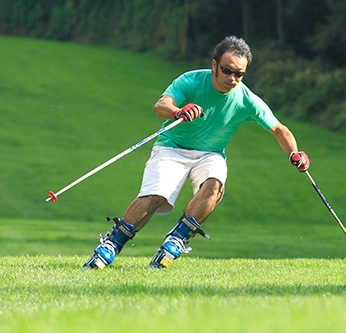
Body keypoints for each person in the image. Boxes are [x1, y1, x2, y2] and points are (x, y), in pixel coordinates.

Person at [82, 36, 310, 269]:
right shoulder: (191, 80)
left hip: (210, 154)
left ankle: (175, 241)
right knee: (155, 196)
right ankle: (111, 245)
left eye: (239, 74)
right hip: (171, 148)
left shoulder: (246, 99)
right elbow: (161, 105)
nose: (232, 78)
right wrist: (178, 111)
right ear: (214, 66)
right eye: (227, 70)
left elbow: (279, 129)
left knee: (215, 185)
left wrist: (295, 154)